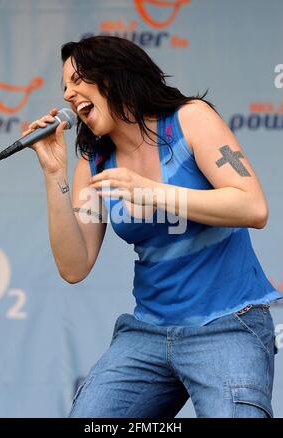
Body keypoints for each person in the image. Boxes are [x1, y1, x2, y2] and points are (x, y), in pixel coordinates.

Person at [24, 35, 282, 418]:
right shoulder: (94, 162)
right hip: (148, 332)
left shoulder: (189, 119)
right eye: (64, 87)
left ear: (116, 76)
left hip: (228, 323)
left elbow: (252, 205)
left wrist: (155, 193)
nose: (67, 95)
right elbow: (74, 266)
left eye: (78, 80)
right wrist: (52, 173)